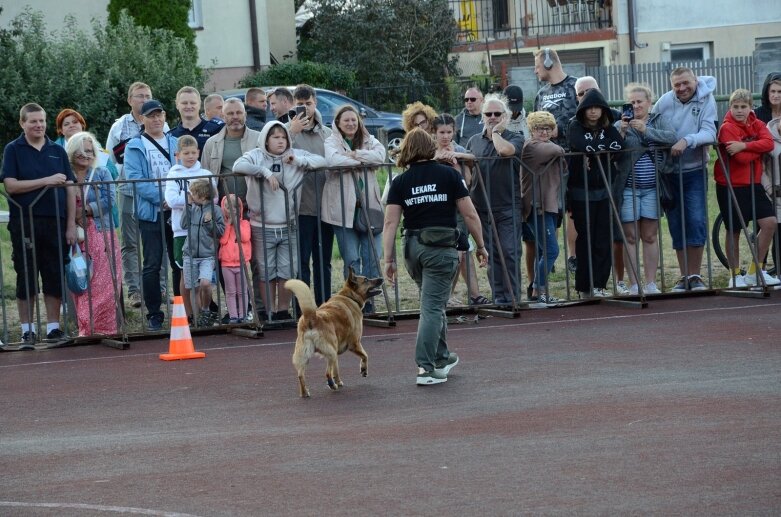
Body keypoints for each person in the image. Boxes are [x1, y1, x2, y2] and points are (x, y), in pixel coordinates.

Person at [383, 128, 489, 385]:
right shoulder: (449, 175)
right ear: (431, 148)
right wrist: (481, 245)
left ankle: (441, 357)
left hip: (412, 248)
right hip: (440, 249)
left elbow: (389, 223)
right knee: (431, 306)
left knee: (434, 302)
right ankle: (426, 367)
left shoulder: (400, 181)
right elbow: (470, 215)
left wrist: (388, 259)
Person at [233, 121, 326, 321]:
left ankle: (283, 311)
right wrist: (264, 172)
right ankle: (269, 312)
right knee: (266, 271)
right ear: (266, 140)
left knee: (286, 270)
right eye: (275, 137)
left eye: (283, 137)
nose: (280, 141)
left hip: (289, 224)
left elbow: (323, 161)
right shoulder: (256, 155)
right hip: (262, 225)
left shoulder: (295, 155)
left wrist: (298, 161)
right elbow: (237, 166)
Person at [2, 103, 77, 346]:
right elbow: (11, 185)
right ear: (22, 123)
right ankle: (27, 330)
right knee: (27, 275)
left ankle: (53, 328)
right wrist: (46, 181)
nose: (38, 125)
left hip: (55, 221)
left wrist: (71, 225)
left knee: (54, 273)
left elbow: (69, 188)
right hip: (24, 222)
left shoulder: (58, 149)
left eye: (42, 121)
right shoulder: (13, 149)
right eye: (33, 121)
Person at [105, 82, 169, 309]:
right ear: (130, 100)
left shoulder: (162, 123)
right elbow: (110, 161)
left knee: (158, 242)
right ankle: (134, 291)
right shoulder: (119, 127)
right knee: (130, 243)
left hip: (158, 195)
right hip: (128, 191)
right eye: (139, 96)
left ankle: (160, 288)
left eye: (147, 95)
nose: (143, 99)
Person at [653, 67, 717, 291]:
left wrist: (687, 140)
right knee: (676, 223)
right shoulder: (664, 101)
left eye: (685, 83)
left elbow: (710, 133)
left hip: (694, 171)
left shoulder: (706, 99)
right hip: (669, 173)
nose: (681, 88)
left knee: (696, 220)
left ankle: (695, 275)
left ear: (695, 80)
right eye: (676, 85)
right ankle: (683, 276)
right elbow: (652, 127)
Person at [202, 97, 263, 320]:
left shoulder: (258, 139)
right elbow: (207, 178)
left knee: (255, 260)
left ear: (245, 115)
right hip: (225, 214)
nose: (235, 117)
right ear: (222, 116)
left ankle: (256, 308)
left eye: (238, 112)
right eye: (230, 113)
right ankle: (235, 310)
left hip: (253, 208)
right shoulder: (212, 144)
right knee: (227, 260)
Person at [323, 104, 387, 314]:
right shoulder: (331, 141)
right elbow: (332, 160)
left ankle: (369, 301)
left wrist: (355, 155)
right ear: (338, 124)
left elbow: (380, 156)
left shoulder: (369, 139)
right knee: (351, 258)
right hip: (342, 210)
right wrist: (361, 160)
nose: (350, 123)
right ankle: (353, 302)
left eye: (354, 120)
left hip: (369, 208)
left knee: (373, 255)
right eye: (346, 120)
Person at [615, 83, 677, 295]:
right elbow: (613, 150)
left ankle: (651, 283)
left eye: (639, 101)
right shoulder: (620, 124)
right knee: (630, 236)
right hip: (628, 188)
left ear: (649, 103)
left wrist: (646, 130)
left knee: (650, 235)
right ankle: (634, 284)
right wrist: (621, 133)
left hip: (652, 188)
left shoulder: (658, 120)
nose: (636, 106)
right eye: (632, 102)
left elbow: (672, 138)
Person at [713, 89, 779, 288]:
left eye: (743, 107)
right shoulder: (727, 128)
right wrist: (757, 150)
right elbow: (741, 159)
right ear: (730, 107)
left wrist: (744, 146)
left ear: (750, 107)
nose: (739, 111)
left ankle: (754, 271)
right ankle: (734, 275)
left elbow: (769, 143)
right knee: (734, 229)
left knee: (769, 223)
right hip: (731, 186)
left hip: (754, 183)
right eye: (735, 107)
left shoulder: (757, 123)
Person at [123, 99, 179, 331]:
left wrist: (175, 199)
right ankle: (154, 313)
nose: (156, 119)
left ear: (165, 116)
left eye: (159, 114)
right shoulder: (134, 146)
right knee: (152, 263)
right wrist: (162, 198)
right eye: (151, 115)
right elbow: (135, 179)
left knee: (179, 263)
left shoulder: (175, 141)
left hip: (177, 212)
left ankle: (183, 309)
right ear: (143, 119)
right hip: (151, 213)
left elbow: (186, 170)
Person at [466, 93, 525, 307]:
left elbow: (505, 151)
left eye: (497, 114)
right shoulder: (473, 141)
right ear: (482, 116)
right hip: (481, 207)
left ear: (505, 116)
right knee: (491, 256)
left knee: (509, 252)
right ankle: (499, 298)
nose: (492, 117)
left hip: (509, 206)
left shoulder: (515, 136)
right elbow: (469, 170)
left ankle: (512, 297)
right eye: (488, 114)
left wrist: (497, 133)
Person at [567, 89, 625, 298]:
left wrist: (596, 149)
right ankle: (584, 286)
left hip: (605, 191)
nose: (593, 112)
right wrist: (599, 149)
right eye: (589, 108)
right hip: (581, 192)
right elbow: (581, 144)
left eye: (597, 108)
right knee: (586, 239)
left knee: (603, 238)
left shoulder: (607, 127)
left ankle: (600, 284)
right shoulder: (575, 125)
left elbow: (619, 145)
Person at [65, 132, 122, 336]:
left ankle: (104, 329)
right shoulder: (65, 174)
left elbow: (109, 201)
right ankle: (85, 328)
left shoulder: (101, 172)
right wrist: (72, 217)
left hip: (100, 232)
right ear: (72, 152)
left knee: (103, 282)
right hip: (74, 236)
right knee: (80, 282)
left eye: (89, 151)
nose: (85, 155)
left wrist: (86, 210)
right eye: (81, 151)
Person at [430, 113, 488, 307]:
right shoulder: (430, 152)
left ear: (454, 131)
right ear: (434, 133)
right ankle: (445, 296)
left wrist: (457, 157)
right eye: (441, 132)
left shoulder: (460, 149)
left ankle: (474, 295)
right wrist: (438, 158)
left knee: (463, 252)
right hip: (439, 208)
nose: (445, 136)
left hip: (461, 207)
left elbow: (469, 176)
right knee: (452, 255)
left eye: (449, 132)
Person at [287, 84, 334, 305]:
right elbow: (275, 152)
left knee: (323, 261)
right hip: (300, 206)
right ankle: (302, 308)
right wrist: (291, 131)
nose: (305, 108)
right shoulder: (287, 131)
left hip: (326, 206)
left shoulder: (328, 133)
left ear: (315, 103)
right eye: (300, 104)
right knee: (302, 261)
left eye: (308, 104)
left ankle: (324, 306)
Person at [165, 135, 217, 320]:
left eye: (193, 152)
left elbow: (213, 198)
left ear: (199, 152)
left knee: (203, 275)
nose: (190, 156)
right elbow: (171, 200)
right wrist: (195, 198)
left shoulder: (206, 174)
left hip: (204, 230)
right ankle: (188, 314)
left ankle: (203, 312)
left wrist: (187, 197)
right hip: (182, 231)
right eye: (186, 153)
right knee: (185, 274)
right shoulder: (173, 173)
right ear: (177, 154)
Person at [521, 111, 566, 304]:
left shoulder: (545, 145)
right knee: (551, 250)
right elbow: (558, 151)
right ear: (532, 130)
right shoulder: (532, 146)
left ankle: (538, 289)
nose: (544, 132)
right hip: (536, 205)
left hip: (548, 204)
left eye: (548, 128)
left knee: (544, 249)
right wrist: (557, 144)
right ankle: (537, 288)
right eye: (540, 128)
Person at [181, 179, 225, 326]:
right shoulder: (192, 208)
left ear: (202, 196)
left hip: (207, 255)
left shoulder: (215, 210)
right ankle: (197, 318)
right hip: (190, 255)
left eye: (193, 193)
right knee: (193, 288)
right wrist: (187, 206)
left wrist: (209, 223)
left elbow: (220, 232)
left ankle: (206, 309)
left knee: (205, 283)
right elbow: (183, 224)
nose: (190, 195)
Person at [533, 48, 578, 150]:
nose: (535, 71)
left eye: (537, 67)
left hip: (576, 155)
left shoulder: (577, 86)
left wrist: (561, 130)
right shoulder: (541, 94)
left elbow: (590, 119)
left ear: (548, 64)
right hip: (550, 158)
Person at [219, 194, 252, 323]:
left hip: (241, 263)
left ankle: (243, 315)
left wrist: (237, 224)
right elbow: (223, 240)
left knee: (242, 291)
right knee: (230, 292)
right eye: (228, 207)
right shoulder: (223, 225)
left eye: (235, 207)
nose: (232, 210)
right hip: (226, 264)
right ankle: (233, 315)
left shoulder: (244, 223)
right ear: (223, 209)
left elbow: (244, 238)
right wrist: (228, 225)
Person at [170, 86, 225, 157]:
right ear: (177, 105)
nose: (189, 106)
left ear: (199, 104)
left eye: (193, 103)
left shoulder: (217, 129)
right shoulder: (171, 136)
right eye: (184, 103)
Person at [764, 115, 781, 269]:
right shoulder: (768, 137)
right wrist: (769, 189)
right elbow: (761, 168)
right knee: (779, 238)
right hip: (775, 196)